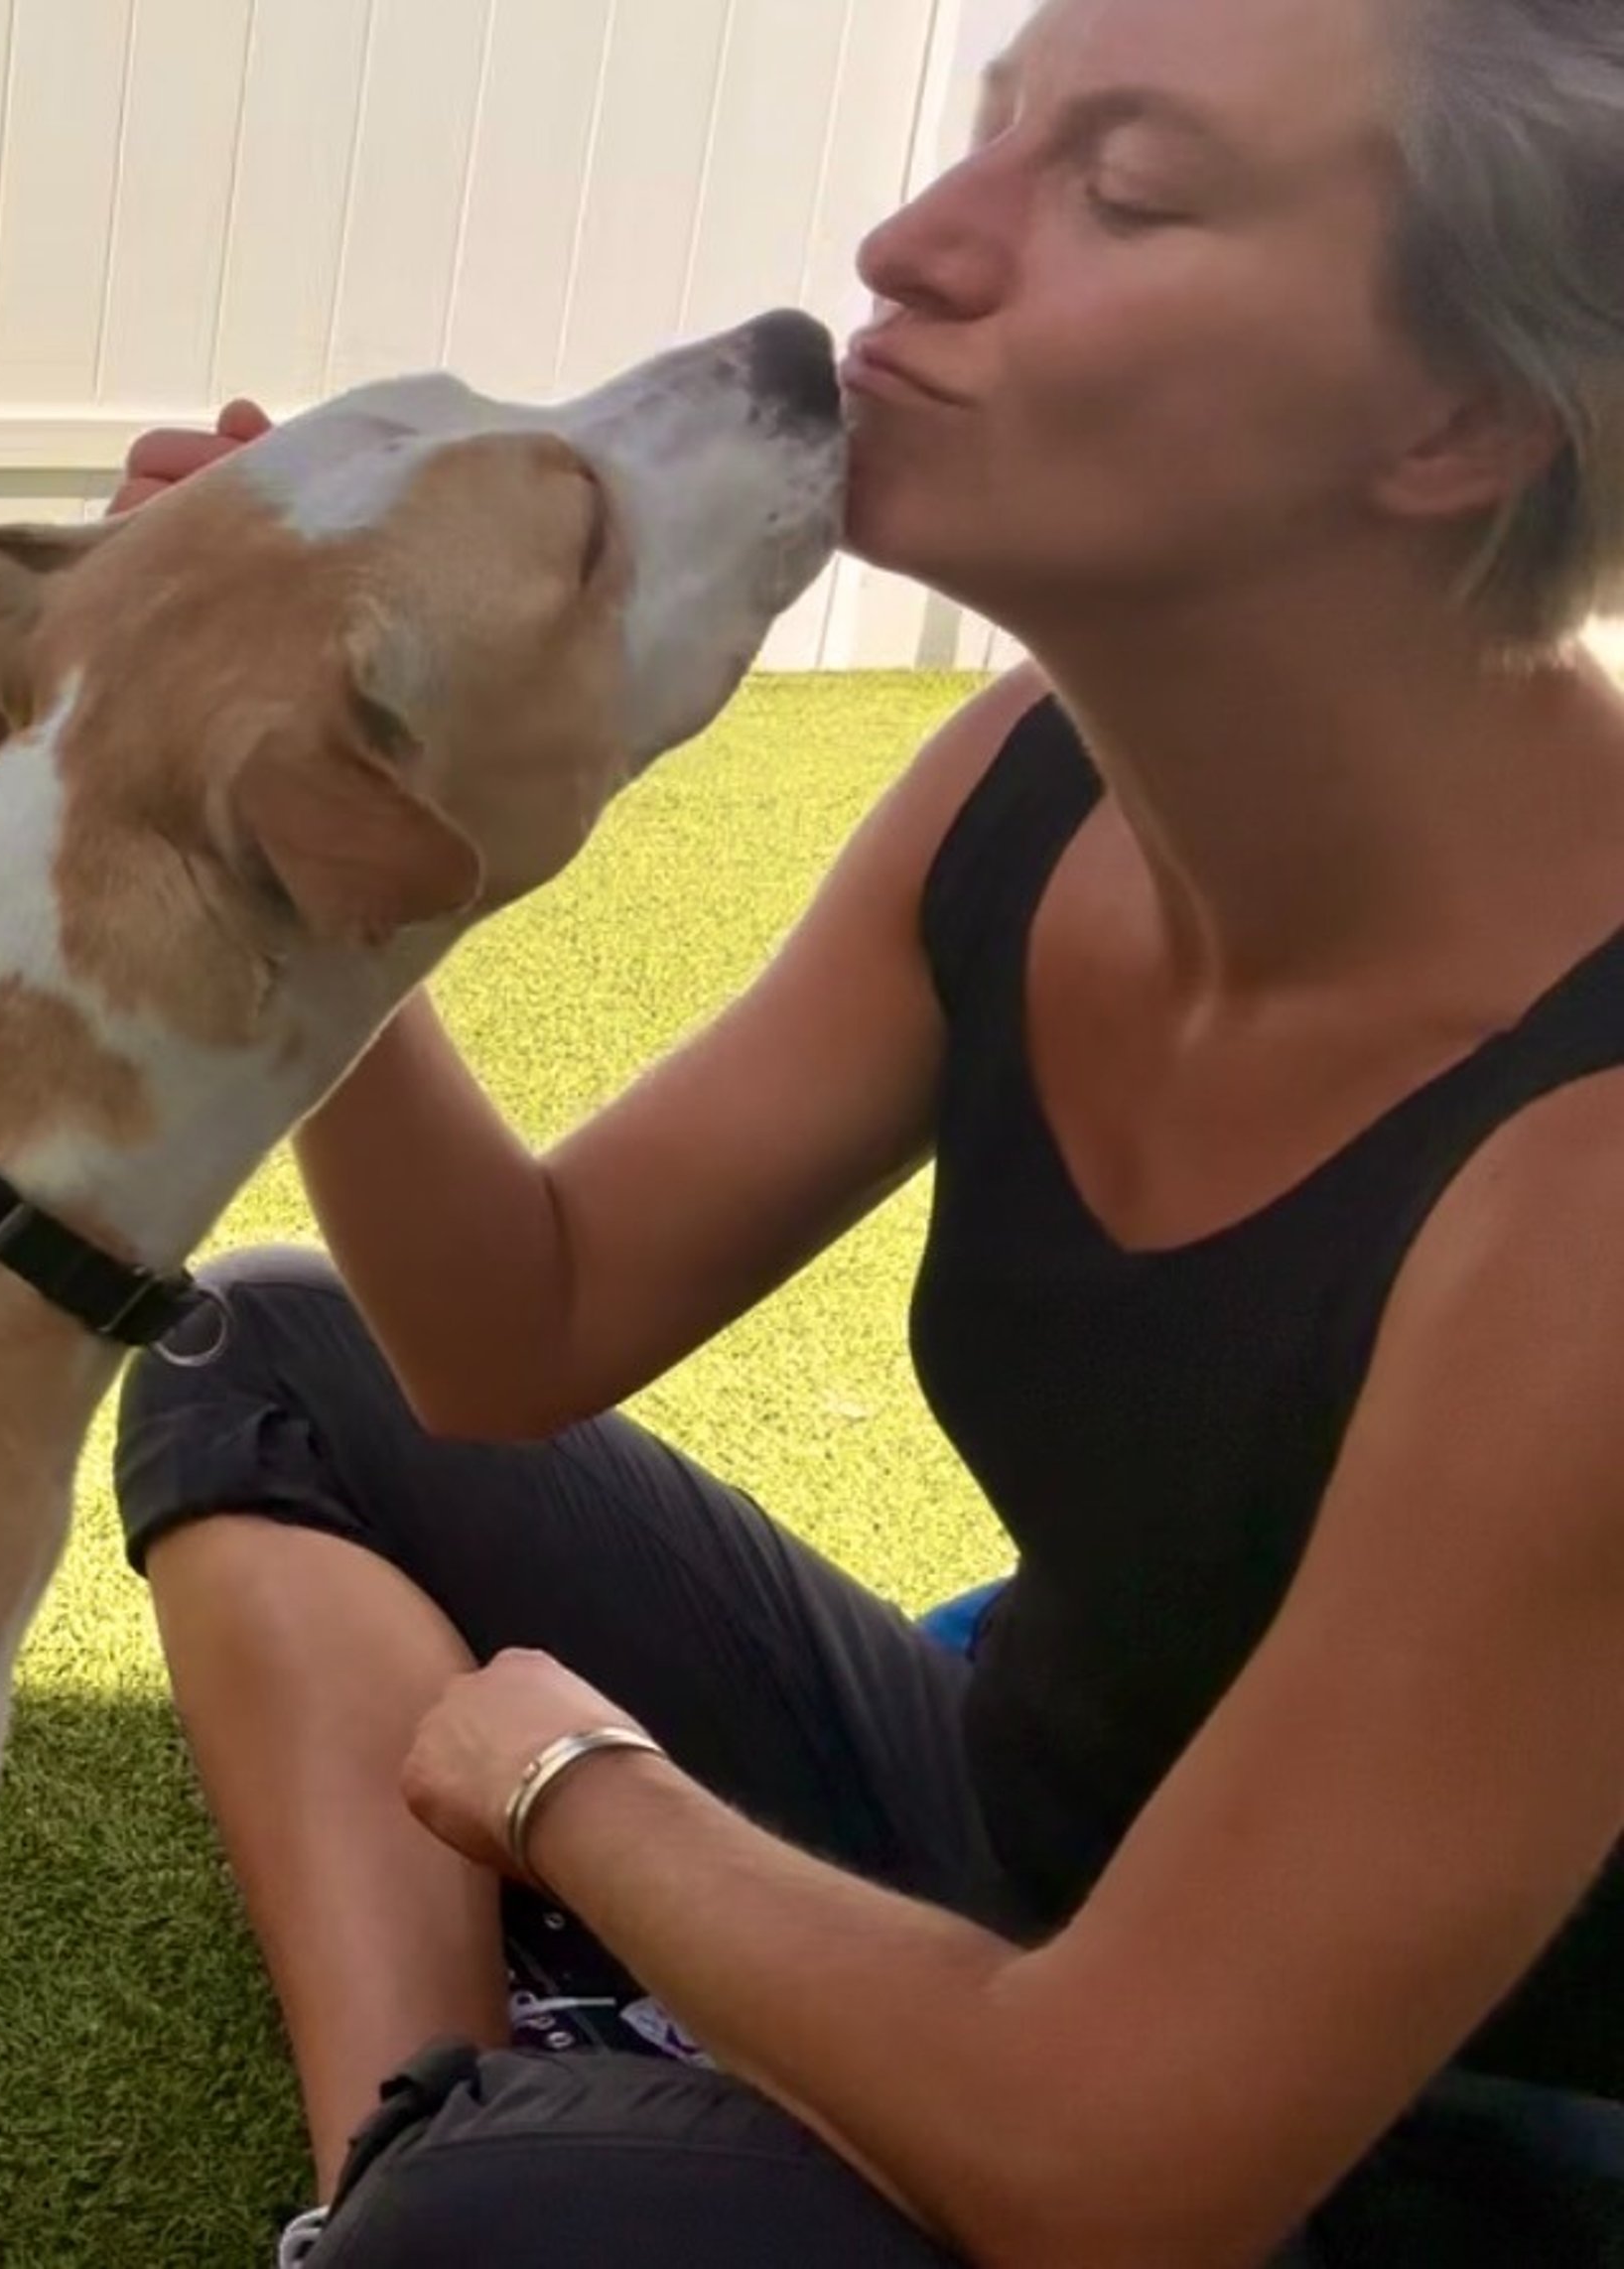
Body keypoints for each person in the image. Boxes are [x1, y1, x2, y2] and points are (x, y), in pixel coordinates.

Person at [108, 0, 1624, 2260]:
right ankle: (402, 2174)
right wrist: (306, 851)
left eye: (1123, 185)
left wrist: (570, 1791)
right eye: (990, 129)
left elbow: (1131, 2175)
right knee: (264, 1362)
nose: (910, 239)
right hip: (1028, 1855)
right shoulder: (1024, 785)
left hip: (1396, 2151)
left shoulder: (1588, 1179)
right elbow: (509, 1331)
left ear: (1463, 418)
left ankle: (485, 2190)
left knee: (523, 2230)